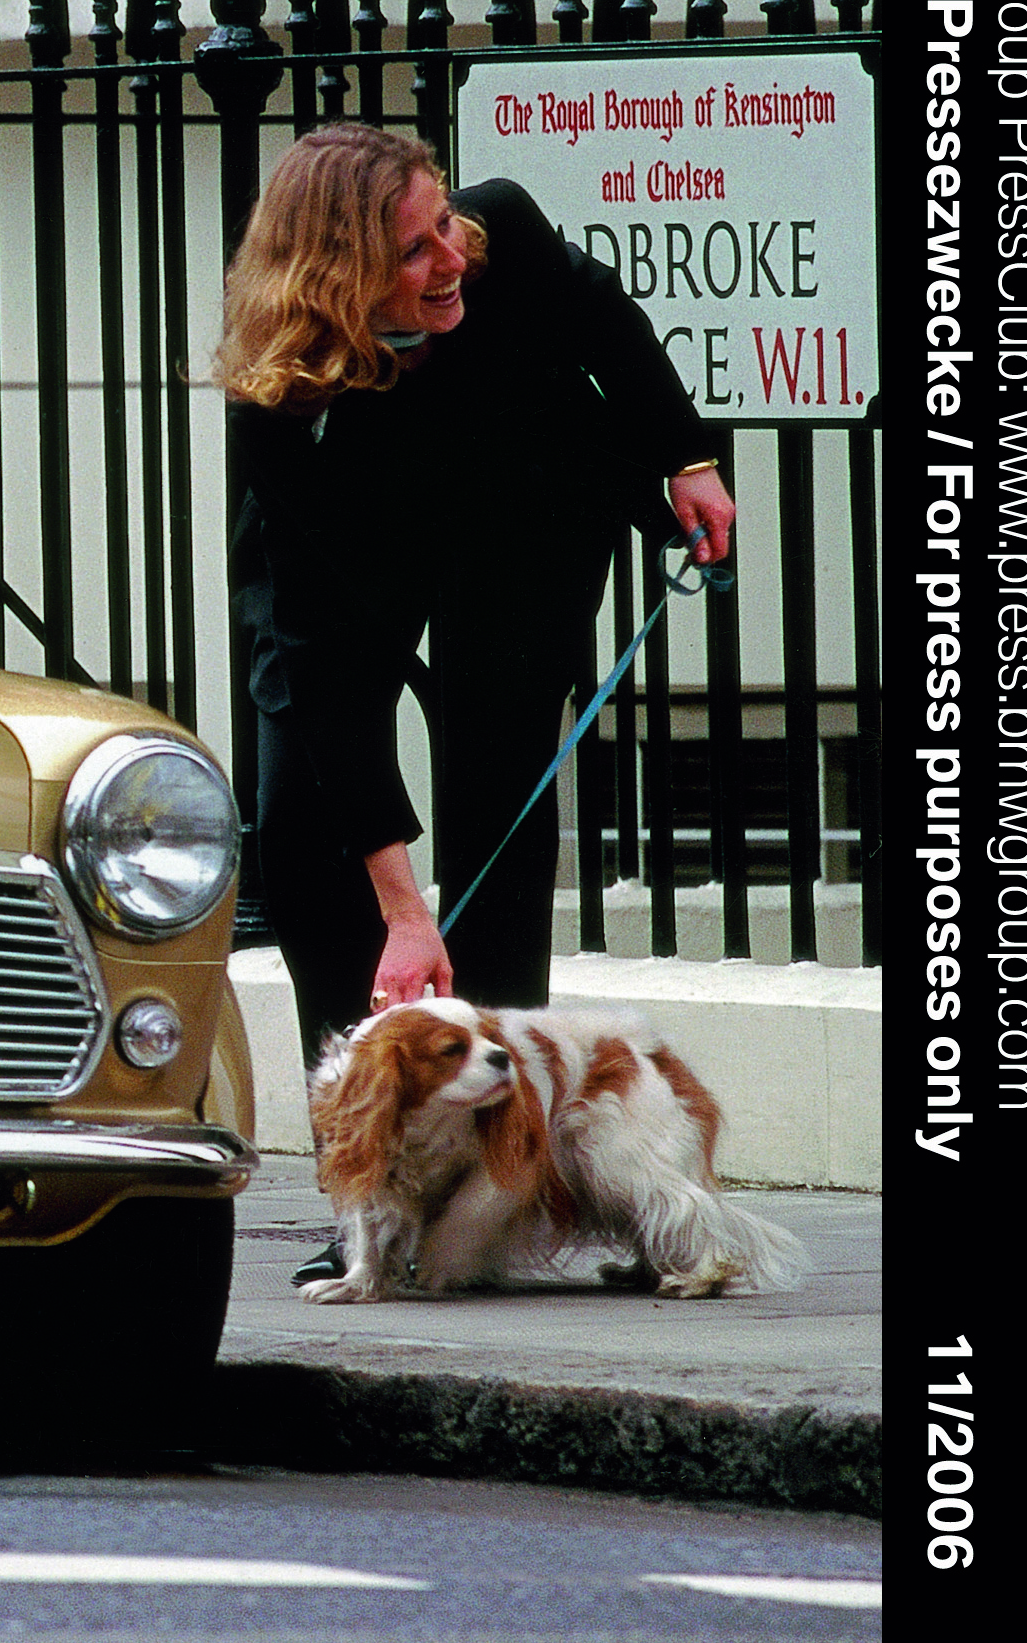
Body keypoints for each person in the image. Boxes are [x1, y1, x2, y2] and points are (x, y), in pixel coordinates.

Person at [212, 125, 732, 1273]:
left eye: (442, 222)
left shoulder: (499, 237)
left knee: (498, 776)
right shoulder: (282, 406)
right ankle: (369, 1191)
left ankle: (490, 1173)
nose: (449, 256)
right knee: (303, 822)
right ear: (337, 276)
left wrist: (685, 456)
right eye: (412, 248)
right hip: (355, 551)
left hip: (518, 510)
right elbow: (323, 668)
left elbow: (605, 318)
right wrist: (401, 904)